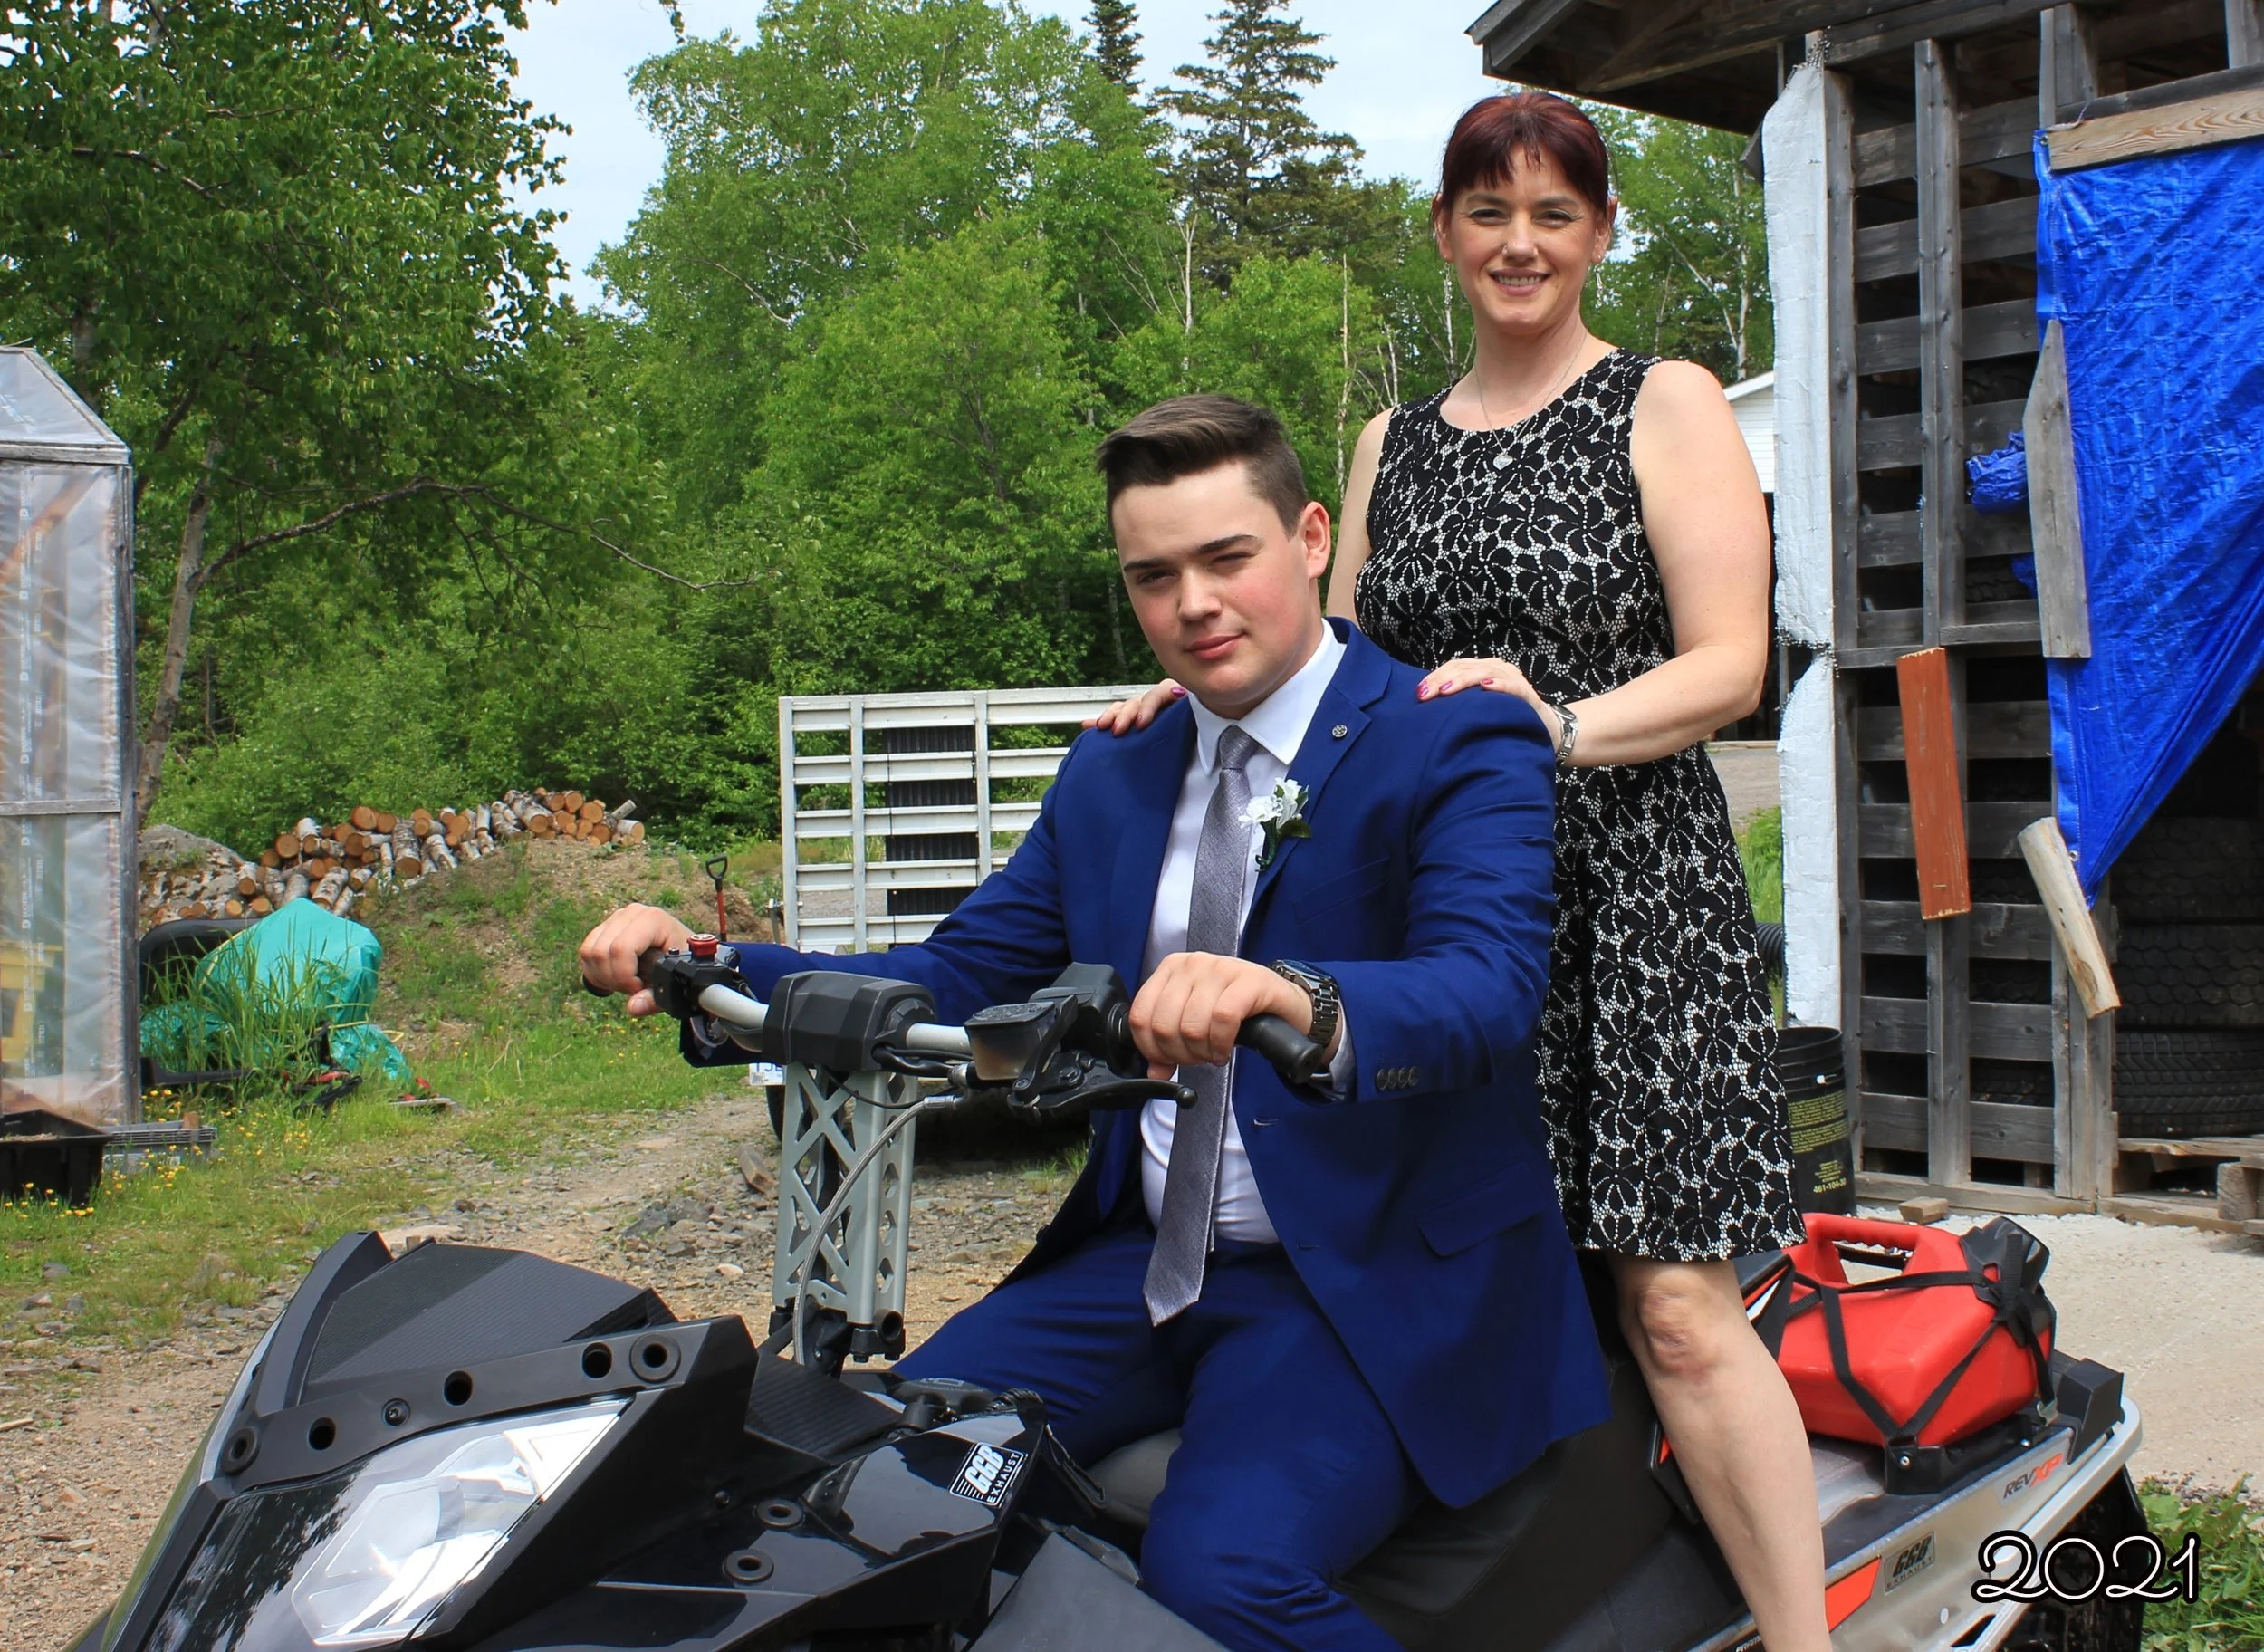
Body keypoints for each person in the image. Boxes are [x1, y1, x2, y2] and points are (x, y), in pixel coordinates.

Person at [580, 394, 1608, 1652]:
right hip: (1145, 1268)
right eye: (1154, 576)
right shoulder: (1119, 767)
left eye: (1227, 559)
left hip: (1370, 1283)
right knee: (879, 1471)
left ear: (1312, 538)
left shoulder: (1455, 734)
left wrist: (1293, 994)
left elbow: (1486, 989)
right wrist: (713, 962)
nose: (1193, 605)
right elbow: (960, 972)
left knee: (1221, 1573)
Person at [1088, 95, 1827, 1651]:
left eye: (1557, 214)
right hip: (1432, 910)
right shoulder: (1390, 442)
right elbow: (1329, 657)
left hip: (1624, 903)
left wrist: (1547, 724)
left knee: (1674, 1309)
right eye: (1489, 212)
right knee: (1465, 1289)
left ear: (1600, 235)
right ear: (1443, 231)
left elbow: (1733, 668)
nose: (1521, 243)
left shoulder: (1665, 399)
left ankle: (1807, 1635)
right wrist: (1196, 689)